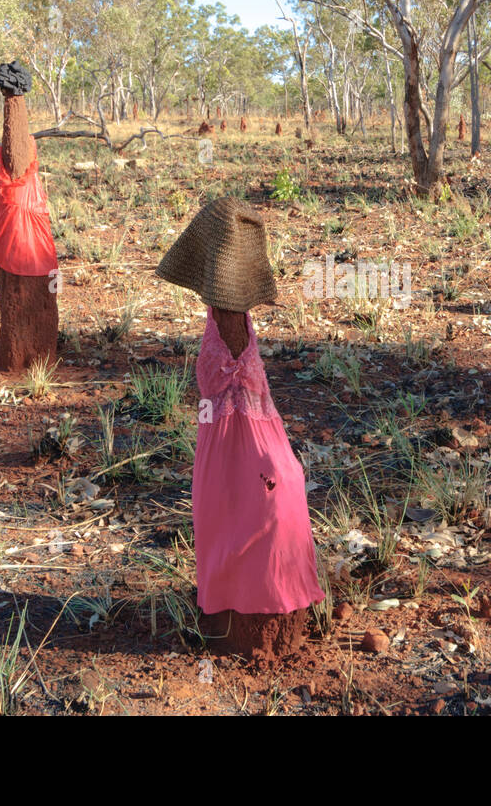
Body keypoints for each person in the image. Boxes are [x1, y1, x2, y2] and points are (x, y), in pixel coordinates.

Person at [156, 196, 324, 662]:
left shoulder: (231, 327)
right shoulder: (227, 320)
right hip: (231, 456)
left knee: (244, 531)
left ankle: (252, 630)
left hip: (238, 459)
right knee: (234, 531)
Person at [0, 61, 59, 371]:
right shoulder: (21, 143)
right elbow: (14, 159)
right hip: (21, 218)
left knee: (31, 287)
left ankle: (29, 355)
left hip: (21, 222)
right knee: (21, 290)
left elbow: (15, 160)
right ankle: (19, 355)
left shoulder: (22, 144)